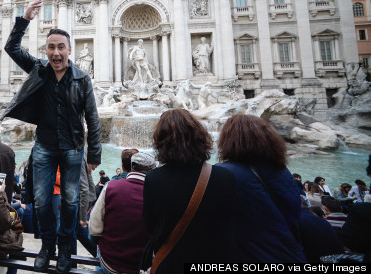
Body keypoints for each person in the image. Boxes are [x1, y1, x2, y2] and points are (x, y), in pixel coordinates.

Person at [3, 0, 101, 273]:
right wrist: (24, 19)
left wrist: (94, 155)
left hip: (72, 148)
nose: (56, 52)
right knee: (42, 201)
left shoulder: (82, 80)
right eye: (51, 47)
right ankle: (47, 246)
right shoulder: (39, 70)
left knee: (70, 203)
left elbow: (92, 118)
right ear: (46, 51)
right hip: (44, 146)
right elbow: (11, 48)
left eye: (61, 47)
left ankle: (66, 248)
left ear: (70, 50)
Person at [143, 109, 237, 271]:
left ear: (161, 141)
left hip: (171, 264)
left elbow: (149, 226)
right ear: (200, 137)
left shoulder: (153, 179)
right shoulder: (225, 177)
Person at [216, 114, 306, 262]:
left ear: (228, 140)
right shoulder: (283, 172)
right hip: (290, 253)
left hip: (252, 255)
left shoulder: (225, 173)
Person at [90, 152, 156, 273]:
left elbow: (94, 229)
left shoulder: (110, 187)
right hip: (139, 267)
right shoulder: (157, 195)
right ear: (152, 170)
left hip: (109, 263)